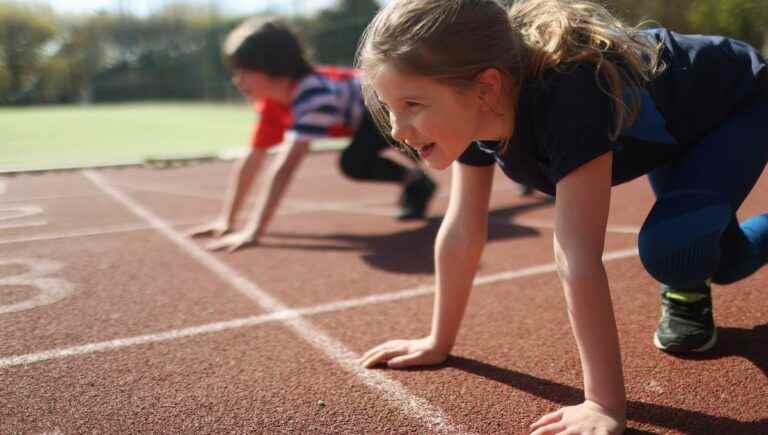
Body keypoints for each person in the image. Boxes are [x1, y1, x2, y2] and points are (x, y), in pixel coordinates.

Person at [355, 0, 768, 433]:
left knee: (672, 252)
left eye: (413, 104)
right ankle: (700, 267)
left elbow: (577, 253)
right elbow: (462, 229)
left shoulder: (566, 96)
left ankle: (687, 278)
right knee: (723, 260)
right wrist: (437, 341)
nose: (398, 130)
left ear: (486, 88)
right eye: (389, 107)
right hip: (674, 122)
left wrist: (603, 404)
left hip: (735, 100)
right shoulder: (476, 109)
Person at [187, 17, 437, 251]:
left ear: (271, 66)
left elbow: (285, 168)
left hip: (380, 105)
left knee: (357, 161)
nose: (237, 80)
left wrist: (254, 231)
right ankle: (417, 182)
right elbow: (253, 160)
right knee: (358, 161)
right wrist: (227, 220)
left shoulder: (311, 95)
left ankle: (423, 179)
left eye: (244, 71)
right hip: (363, 118)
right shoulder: (272, 104)